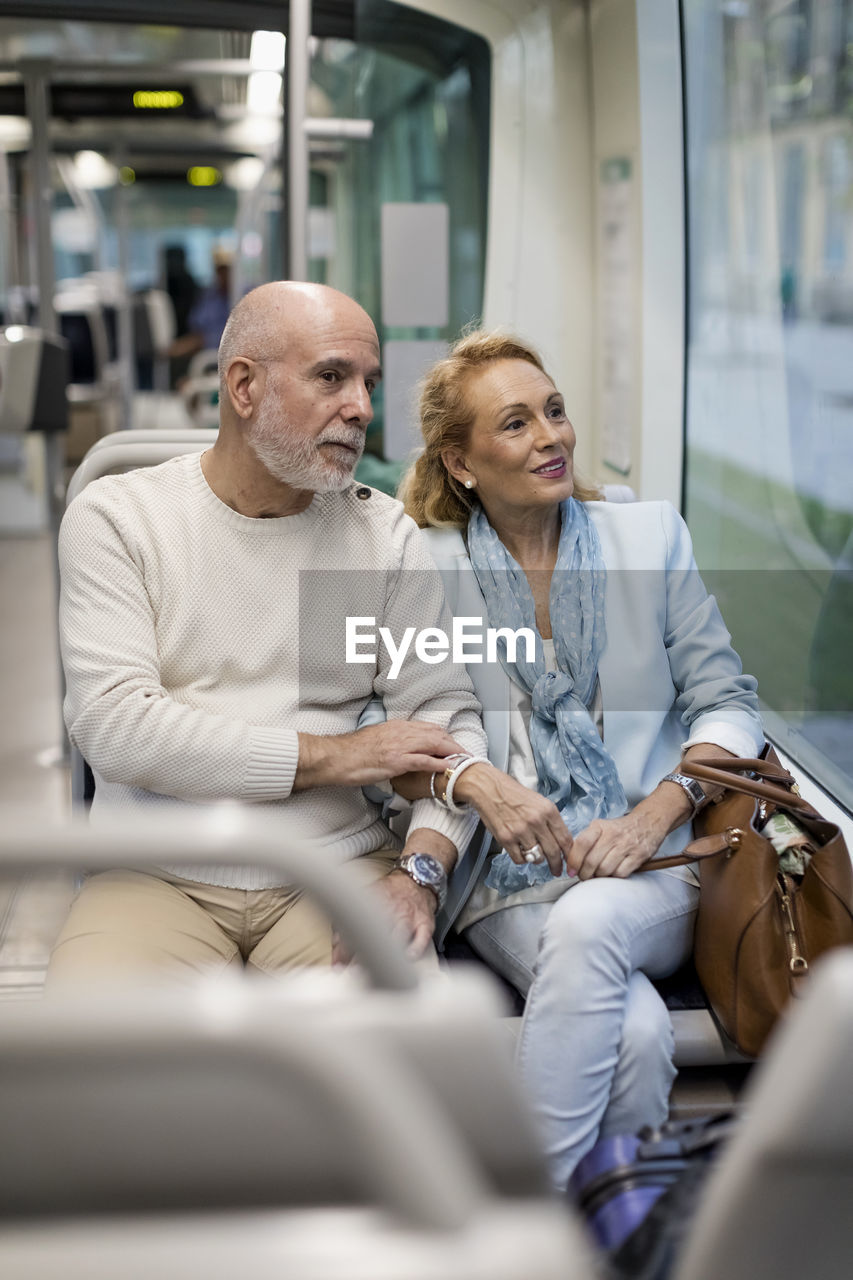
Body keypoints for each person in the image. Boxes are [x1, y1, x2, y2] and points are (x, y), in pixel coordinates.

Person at [51, 282, 501, 986]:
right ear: (243, 386)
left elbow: (444, 718)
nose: (360, 407)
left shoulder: (382, 535)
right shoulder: (119, 518)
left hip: (336, 866)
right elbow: (116, 727)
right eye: (331, 376)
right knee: (96, 1066)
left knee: (400, 1052)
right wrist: (335, 756)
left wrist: (420, 872)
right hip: (155, 871)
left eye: (367, 383)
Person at [397, 330, 764, 1189]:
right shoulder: (423, 564)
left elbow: (727, 702)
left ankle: (518, 1224)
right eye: (516, 424)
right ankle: (613, 1232)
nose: (551, 437)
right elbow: (409, 740)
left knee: (593, 922)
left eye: (554, 412)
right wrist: (474, 797)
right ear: (460, 463)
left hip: (659, 865)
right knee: (635, 1035)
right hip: (506, 880)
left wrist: (654, 812)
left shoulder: (647, 538)